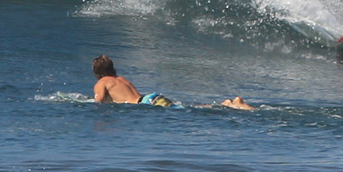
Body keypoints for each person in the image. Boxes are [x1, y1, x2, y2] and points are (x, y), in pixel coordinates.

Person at [92, 55, 253, 109]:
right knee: (183, 108)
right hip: (150, 97)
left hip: (146, 104)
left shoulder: (102, 82)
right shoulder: (121, 79)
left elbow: (98, 101)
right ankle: (227, 103)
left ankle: (229, 105)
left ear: (97, 72)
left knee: (183, 109)